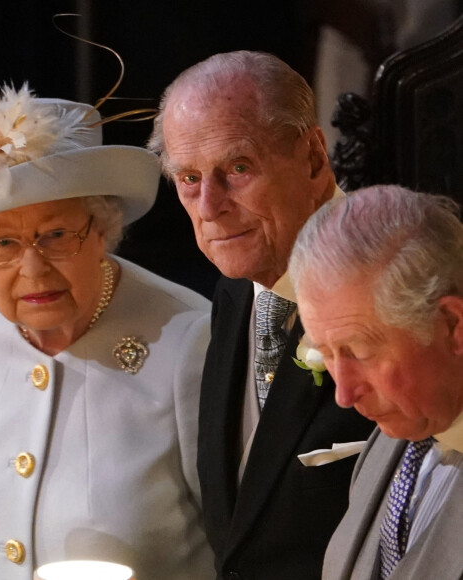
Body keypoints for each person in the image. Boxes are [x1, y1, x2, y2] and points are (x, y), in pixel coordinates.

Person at [0, 84, 215, 580]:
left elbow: (237, 543)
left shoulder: (190, 338)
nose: (33, 268)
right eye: (2, 242)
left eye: (57, 235)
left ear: (103, 229)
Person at [148, 50, 375, 579]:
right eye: (188, 178)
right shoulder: (234, 288)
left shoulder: (394, 288)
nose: (210, 206)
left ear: (315, 158)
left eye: (238, 168)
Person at [289, 184, 463, 579]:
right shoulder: (389, 442)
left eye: (361, 352)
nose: (345, 395)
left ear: (452, 325)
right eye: (327, 354)